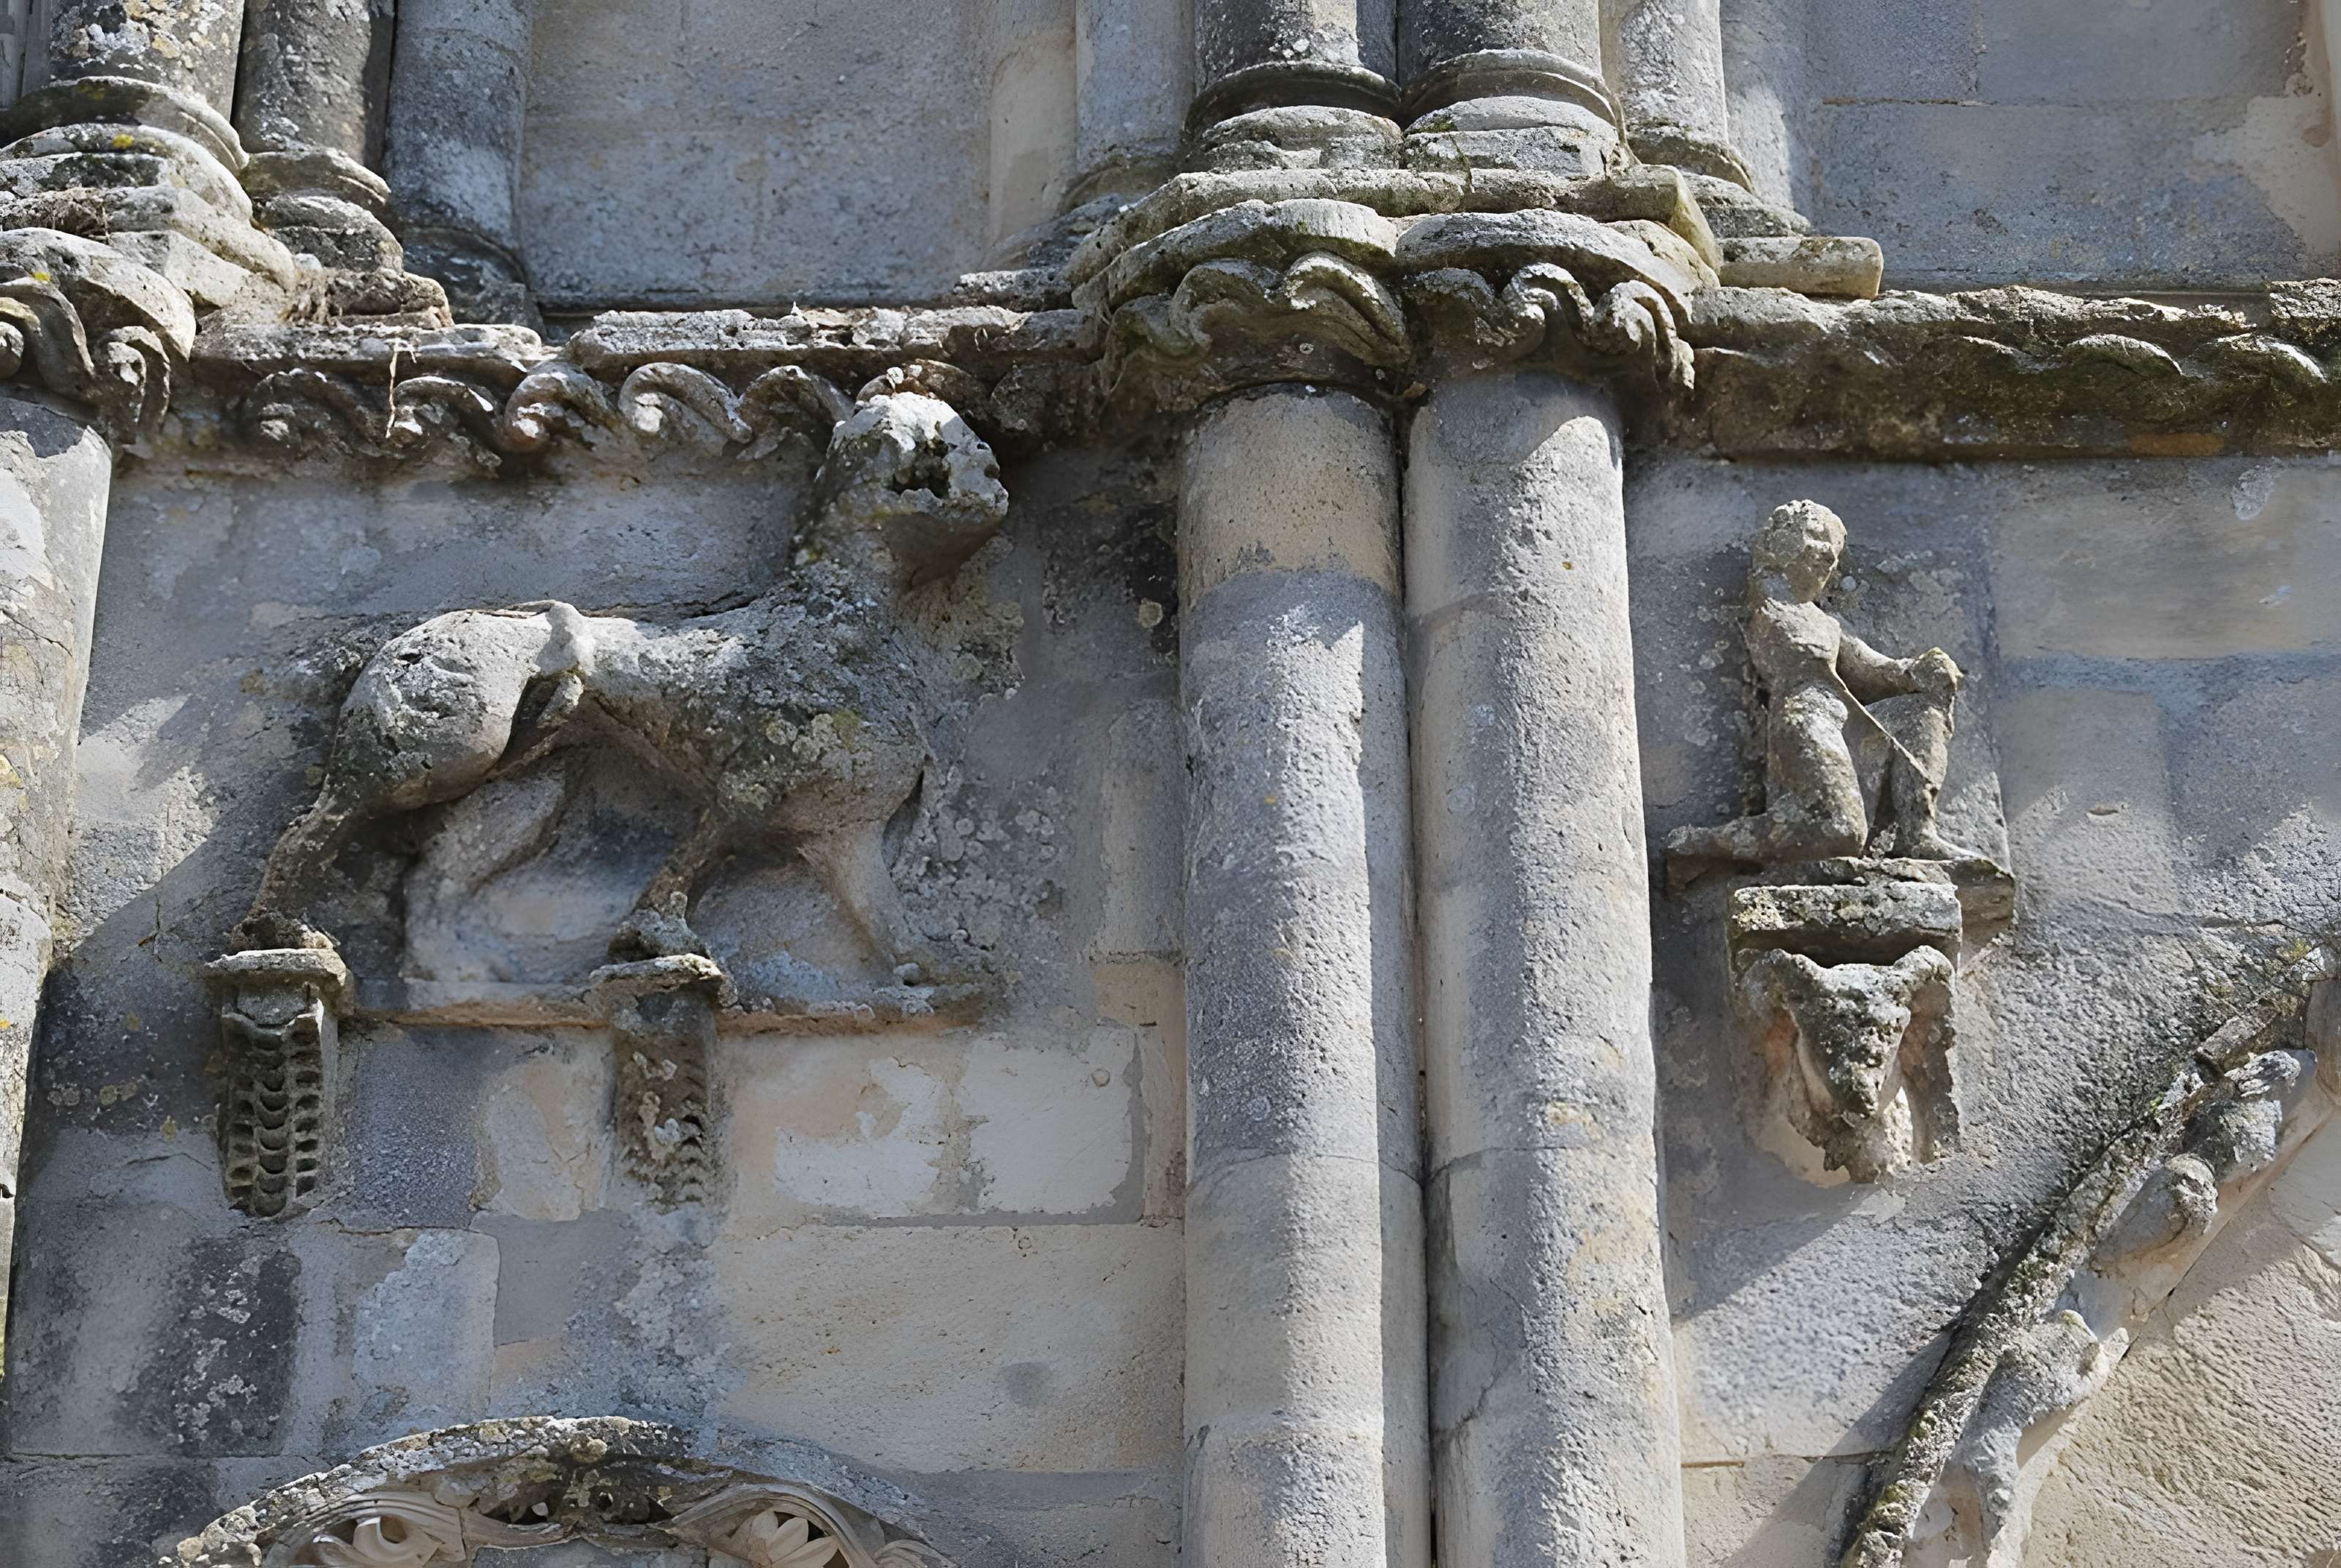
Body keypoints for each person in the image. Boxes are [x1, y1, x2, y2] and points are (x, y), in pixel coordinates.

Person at [1665, 500, 1982, 882]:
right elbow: (1769, 578)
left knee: (1922, 713)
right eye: (1816, 538)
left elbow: (1873, 667)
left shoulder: (1828, 622)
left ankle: (1918, 833)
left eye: (1834, 548)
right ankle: (1704, 844)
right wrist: (1780, 551)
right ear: (1781, 545)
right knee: (1841, 830)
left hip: (1845, 719)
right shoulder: (1769, 599)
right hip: (1806, 717)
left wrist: (1920, 669)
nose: (1828, 554)